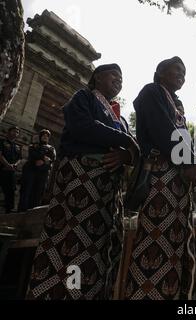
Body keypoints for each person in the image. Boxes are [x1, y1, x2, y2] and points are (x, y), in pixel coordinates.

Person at [27, 64, 139, 300]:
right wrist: (127, 141)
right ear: (97, 77)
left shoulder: (121, 117)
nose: (119, 81)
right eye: (113, 75)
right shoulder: (83, 97)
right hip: (81, 182)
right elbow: (83, 127)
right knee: (74, 240)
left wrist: (126, 154)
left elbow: (131, 152)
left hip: (109, 192)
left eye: (122, 78)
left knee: (103, 246)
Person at [124, 57, 196, 300]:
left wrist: (193, 164)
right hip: (161, 175)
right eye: (177, 70)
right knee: (155, 240)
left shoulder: (177, 105)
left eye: (185, 72)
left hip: (178, 181)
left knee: (177, 243)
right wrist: (191, 161)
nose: (182, 75)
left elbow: (182, 139)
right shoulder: (151, 92)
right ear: (160, 73)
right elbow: (162, 130)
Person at [18, 129, 56, 211]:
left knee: (38, 192)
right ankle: (21, 210)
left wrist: (42, 160)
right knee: (26, 191)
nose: (45, 137)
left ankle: (32, 211)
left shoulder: (51, 148)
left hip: (43, 172)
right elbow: (32, 154)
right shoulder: (33, 146)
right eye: (43, 135)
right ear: (40, 137)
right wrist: (43, 157)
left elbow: (52, 159)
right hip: (30, 170)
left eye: (47, 136)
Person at [0, 126, 22, 214]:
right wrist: (7, 165)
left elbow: (20, 158)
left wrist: (14, 165)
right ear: (9, 132)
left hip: (11, 172)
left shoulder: (17, 146)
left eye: (17, 132)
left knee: (11, 191)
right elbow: (0, 155)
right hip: (1, 169)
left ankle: (8, 212)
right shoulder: (2, 141)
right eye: (13, 131)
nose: (15, 133)